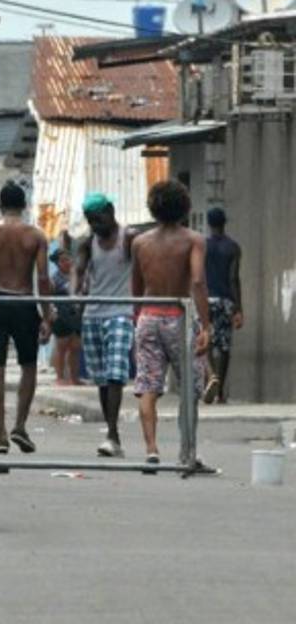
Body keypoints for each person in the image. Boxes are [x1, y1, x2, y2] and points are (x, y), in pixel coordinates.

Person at [130, 181, 211, 468]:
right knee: (189, 386)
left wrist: (135, 319)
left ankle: (151, 450)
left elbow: (136, 288)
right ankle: (186, 452)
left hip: (148, 316)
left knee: (148, 385)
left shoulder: (140, 242)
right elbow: (198, 281)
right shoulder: (193, 240)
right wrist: (206, 325)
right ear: (185, 206)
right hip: (178, 315)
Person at [0, 182, 53, 455]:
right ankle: (20, 424)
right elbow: (43, 278)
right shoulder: (35, 236)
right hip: (23, 302)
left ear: (0, 204)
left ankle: (1, 434)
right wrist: (48, 315)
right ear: (24, 205)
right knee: (28, 365)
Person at [75, 194, 136, 458]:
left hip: (121, 312)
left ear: (111, 211)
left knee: (115, 374)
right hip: (94, 314)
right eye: (91, 221)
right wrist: (75, 292)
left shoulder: (129, 238)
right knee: (101, 378)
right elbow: (78, 270)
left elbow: (143, 266)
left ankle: (112, 433)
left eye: (99, 219)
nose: (96, 225)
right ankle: (113, 434)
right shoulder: (89, 243)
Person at [202, 207, 242, 404]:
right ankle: (220, 393)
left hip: (205, 299)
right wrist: (238, 308)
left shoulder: (202, 246)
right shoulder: (233, 247)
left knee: (206, 340)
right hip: (225, 300)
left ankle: (211, 378)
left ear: (209, 224)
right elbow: (233, 278)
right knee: (224, 347)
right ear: (224, 223)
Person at [49, 244, 85, 386]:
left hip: (76, 314)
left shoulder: (77, 275)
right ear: (58, 263)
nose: (67, 263)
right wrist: (51, 314)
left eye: (69, 259)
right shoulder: (54, 279)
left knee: (75, 347)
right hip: (61, 315)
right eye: (63, 260)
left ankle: (74, 378)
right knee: (62, 346)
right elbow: (49, 298)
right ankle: (60, 377)